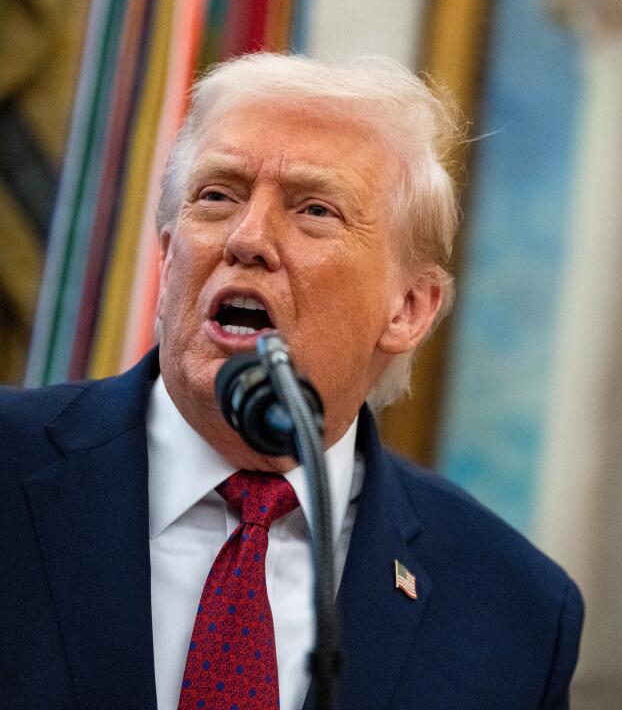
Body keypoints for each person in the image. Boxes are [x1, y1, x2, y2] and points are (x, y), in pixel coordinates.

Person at [0, 53, 583, 709]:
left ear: (408, 308)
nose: (249, 239)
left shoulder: (515, 611)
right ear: (167, 260)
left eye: (314, 210)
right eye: (217, 196)